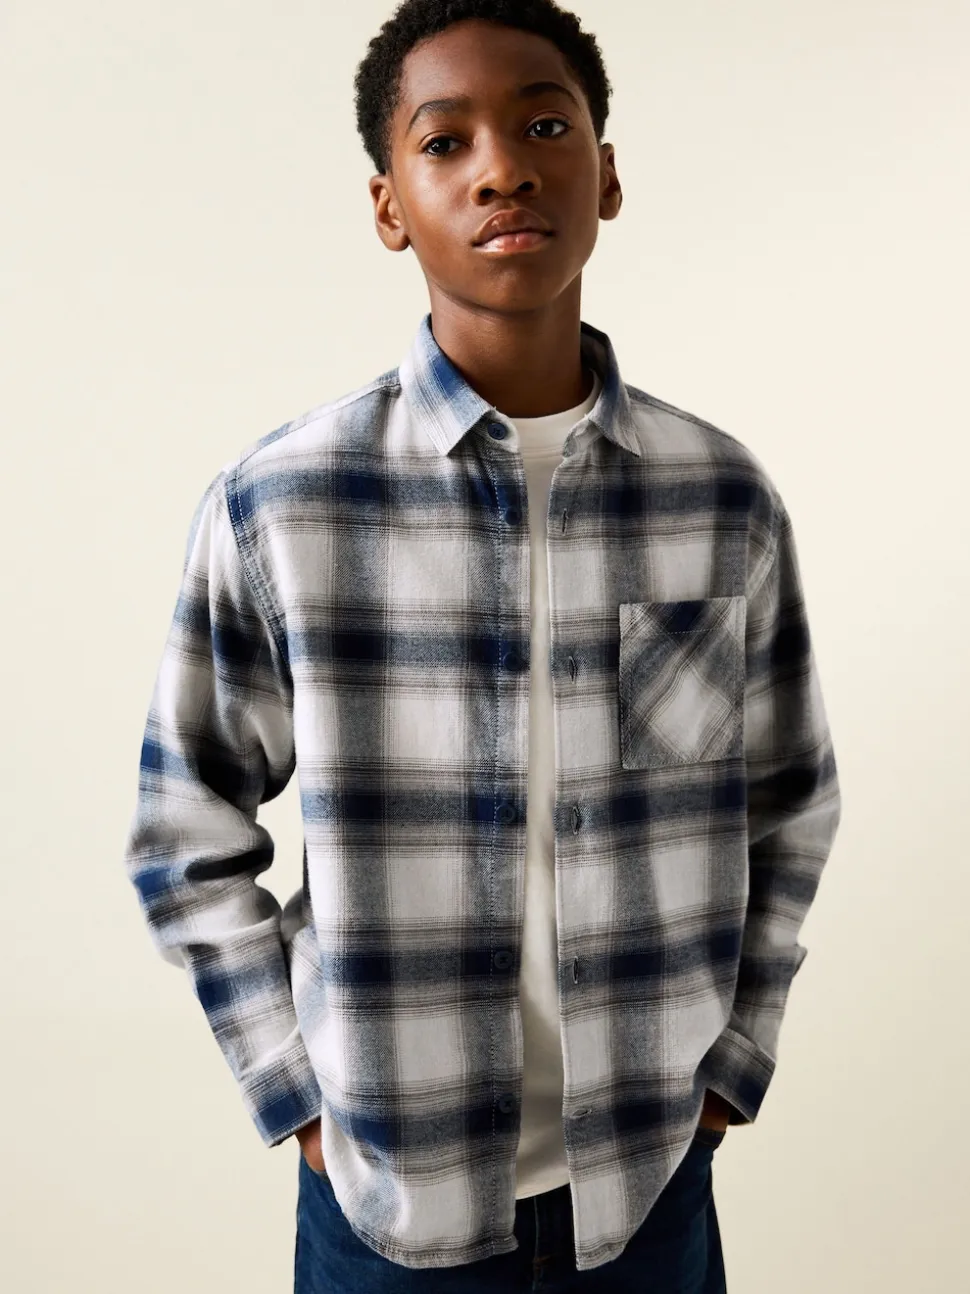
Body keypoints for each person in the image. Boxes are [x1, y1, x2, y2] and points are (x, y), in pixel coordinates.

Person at [122, 1, 842, 1290]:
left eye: (544, 126)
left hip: (650, 1190)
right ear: (389, 205)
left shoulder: (722, 498)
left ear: (606, 175)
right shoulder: (282, 507)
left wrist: (734, 1064)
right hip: (389, 1207)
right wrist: (295, 1095)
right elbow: (184, 829)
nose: (502, 168)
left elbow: (788, 802)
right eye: (445, 141)